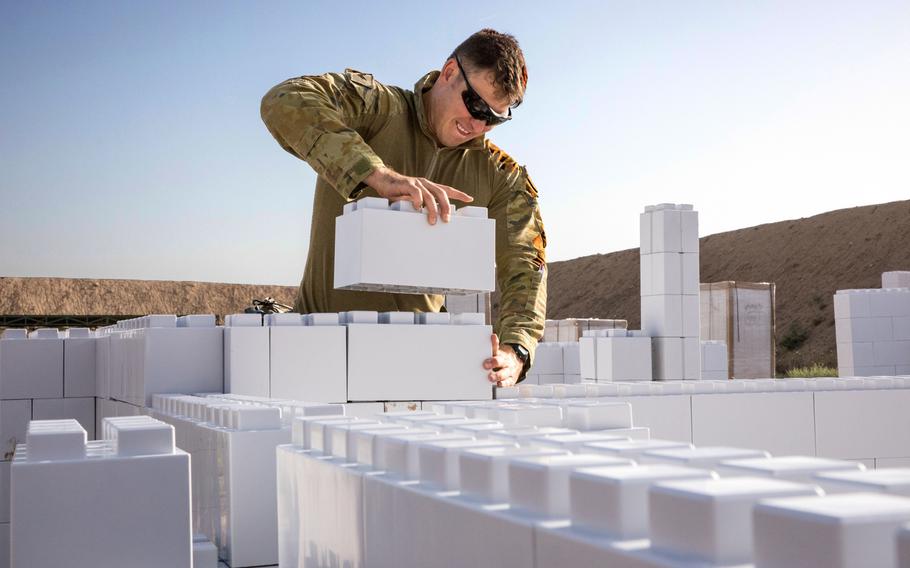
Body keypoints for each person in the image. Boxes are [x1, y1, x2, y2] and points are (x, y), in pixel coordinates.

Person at [260, 29, 546, 387]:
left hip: (416, 371)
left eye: (494, 118)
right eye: (474, 105)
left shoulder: (500, 175)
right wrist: (376, 175)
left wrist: (516, 350)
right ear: (449, 72)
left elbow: (525, 262)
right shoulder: (379, 110)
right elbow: (285, 99)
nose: (478, 125)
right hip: (317, 357)